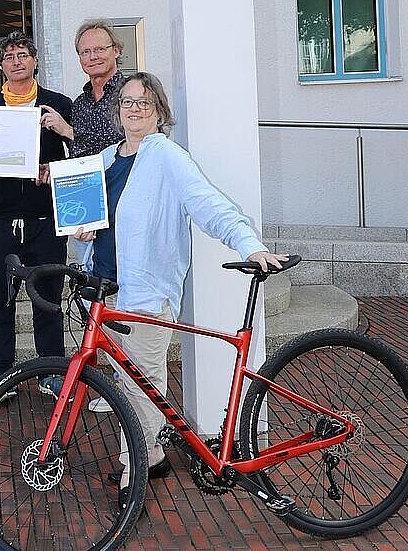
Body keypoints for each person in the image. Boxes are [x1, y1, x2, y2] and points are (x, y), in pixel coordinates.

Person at [80, 71, 285, 505]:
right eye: (127, 102)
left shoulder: (165, 156)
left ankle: (133, 473)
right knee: (131, 381)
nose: (134, 108)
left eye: (144, 102)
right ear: (117, 111)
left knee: (138, 384)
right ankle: (152, 454)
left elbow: (206, 202)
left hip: (146, 292)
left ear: (158, 113)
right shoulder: (104, 160)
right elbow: (91, 217)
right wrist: (82, 230)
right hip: (106, 290)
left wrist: (249, 244)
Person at [0, 32, 72, 397]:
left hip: (45, 221)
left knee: (48, 300)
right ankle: (1, 372)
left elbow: (77, 156)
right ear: (1, 65)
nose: (16, 61)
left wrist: (53, 169)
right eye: (9, 56)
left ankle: (51, 371)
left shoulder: (57, 105)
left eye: (23, 55)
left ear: (34, 61)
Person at [40, 19, 127, 269]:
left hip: (122, 203)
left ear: (116, 51)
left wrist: (68, 131)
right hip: (86, 205)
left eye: (99, 49)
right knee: (91, 283)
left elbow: (124, 144)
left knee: (126, 291)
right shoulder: (80, 102)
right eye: (85, 52)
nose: (93, 57)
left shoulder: (131, 92)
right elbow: (82, 155)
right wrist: (56, 171)